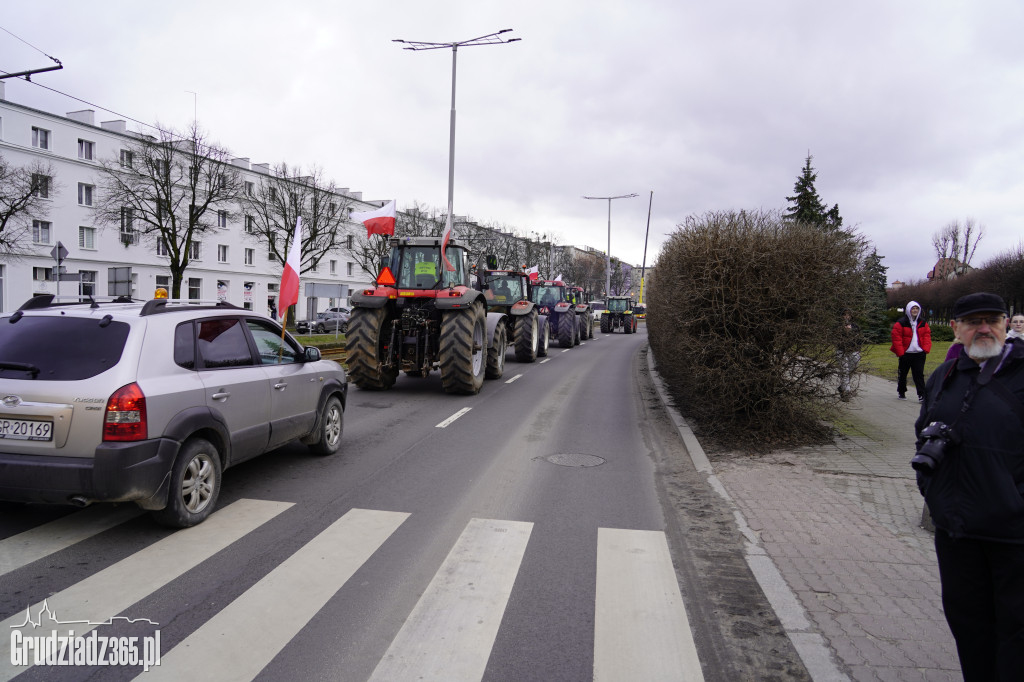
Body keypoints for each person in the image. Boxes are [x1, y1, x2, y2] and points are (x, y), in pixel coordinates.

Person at [914, 292, 1024, 681]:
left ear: (1005, 324)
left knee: (1016, 635)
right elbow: (922, 435)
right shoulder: (943, 377)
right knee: (969, 628)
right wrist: (933, 491)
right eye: (973, 321)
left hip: (1014, 538)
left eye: (992, 319)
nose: (984, 328)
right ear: (956, 328)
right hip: (957, 531)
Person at [890, 300, 932, 401]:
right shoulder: (901, 323)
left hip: (919, 353)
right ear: (909, 309)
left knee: (919, 374)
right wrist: (901, 353)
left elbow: (927, 335)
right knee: (903, 374)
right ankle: (901, 391)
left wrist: (925, 349)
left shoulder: (923, 322)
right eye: (913, 308)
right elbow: (896, 338)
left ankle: (922, 395)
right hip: (906, 354)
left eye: (917, 308)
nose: (915, 310)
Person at [836, 309, 861, 401]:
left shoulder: (855, 326)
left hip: (853, 350)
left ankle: (842, 387)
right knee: (845, 370)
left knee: (852, 369)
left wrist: (851, 331)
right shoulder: (838, 326)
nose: (846, 317)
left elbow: (858, 338)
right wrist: (844, 331)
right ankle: (846, 392)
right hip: (841, 350)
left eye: (848, 315)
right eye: (844, 315)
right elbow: (836, 337)